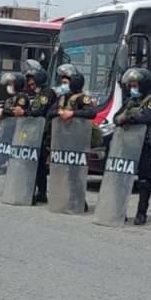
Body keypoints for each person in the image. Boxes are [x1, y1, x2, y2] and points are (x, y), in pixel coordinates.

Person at [112, 68, 151, 225]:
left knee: (144, 182)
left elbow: (146, 117)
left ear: (143, 85)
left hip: (147, 145)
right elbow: (115, 117)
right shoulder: (130, 102)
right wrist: (125, 117)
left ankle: (141, 213)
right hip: (129, 145)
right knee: (122, 178)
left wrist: (127, 118)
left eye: (135, 85)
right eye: (130, 85)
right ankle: (121, 211)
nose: (132, 88)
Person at [47, 64, 96, 210]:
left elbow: (91, 113)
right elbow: (50, 113)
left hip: (78, 141)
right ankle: (71, 198)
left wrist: (73, 114)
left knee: (76, 172)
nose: (63, 85)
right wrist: (60, 113)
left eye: (65, 82)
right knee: (67, 172)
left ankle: (79, 200)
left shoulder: (83, 98)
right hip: (63, 140)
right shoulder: (61, 99)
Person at [21, 62, 57, 204]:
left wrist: (24, 112)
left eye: (33, 84)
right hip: (36, 135)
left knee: (40, 165)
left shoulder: (47, 93)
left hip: (45, 134)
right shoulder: (37, 96)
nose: (31, 87)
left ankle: (42, 192)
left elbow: (39, 111)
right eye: (30, 85)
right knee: (37, 165)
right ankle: (39, 191)